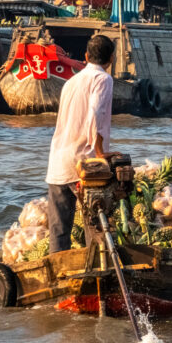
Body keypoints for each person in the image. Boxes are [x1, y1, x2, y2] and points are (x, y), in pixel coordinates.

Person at [45, 34, 115, 254]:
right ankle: (94, 272)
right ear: (111, 59)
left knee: (59, 230)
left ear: (85, 56)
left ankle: (58, 276)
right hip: (83, 163)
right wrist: (101, 152)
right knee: (94, 223)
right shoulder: (103, 79)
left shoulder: (71, 82)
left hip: (58, 161)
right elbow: (96, 113)